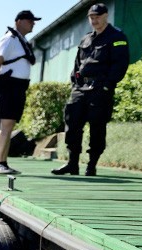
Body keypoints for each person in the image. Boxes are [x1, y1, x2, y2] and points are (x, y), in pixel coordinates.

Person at [52, 3, 129, 177]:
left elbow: (120, 64)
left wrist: (107, 85)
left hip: (100, 88)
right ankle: (72, 164)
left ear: (106, 16)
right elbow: (77, 63)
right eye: (91, 18)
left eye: (97, 17)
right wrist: (74, 82)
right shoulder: (86, 38)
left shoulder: (117, 37)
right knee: (72, 124)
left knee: (97, 127)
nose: (94, 21)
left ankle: (91, 165)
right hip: (80, 88)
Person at [0, 10, 41, 176]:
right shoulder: (9, 39)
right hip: (7, 86)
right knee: (5, 126)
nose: (33, 23)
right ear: (19, 21)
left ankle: (3, 162)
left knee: (9, 126)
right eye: (30, 20)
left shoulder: (20, 40)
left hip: (17, 87)